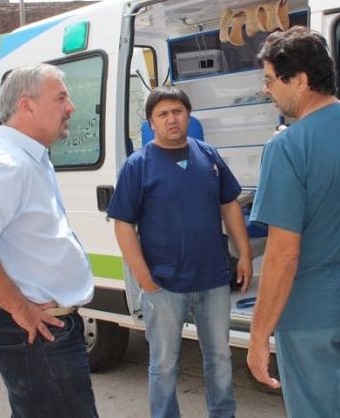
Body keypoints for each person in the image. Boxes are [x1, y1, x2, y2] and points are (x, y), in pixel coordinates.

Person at [246, 27, 340, 418]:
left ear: (299, 80)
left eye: (270, 80)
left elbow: (283, 255)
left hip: (312, 313)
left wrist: (259, 335)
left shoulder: (286, 147)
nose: (267, 91)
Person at [0, 63, 98, 418]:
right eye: (61, 98)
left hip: (47, 329)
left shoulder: (29, 157)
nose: (71, 107)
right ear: (27, 105)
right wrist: (20, 307)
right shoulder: (8, 164)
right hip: (35, 332)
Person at [108, 86, 253, 418]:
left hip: (213, 279)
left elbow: (229, 205)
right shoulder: (138, 165)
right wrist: (143, 277)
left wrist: (244, 253)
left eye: (177, 111)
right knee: (164, 364)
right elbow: (122, 224)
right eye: (162, 114)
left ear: (189, 115)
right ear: (151, 123)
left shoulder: (208, 156)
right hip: (164, 284)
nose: (171, 119)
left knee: (219, 358)